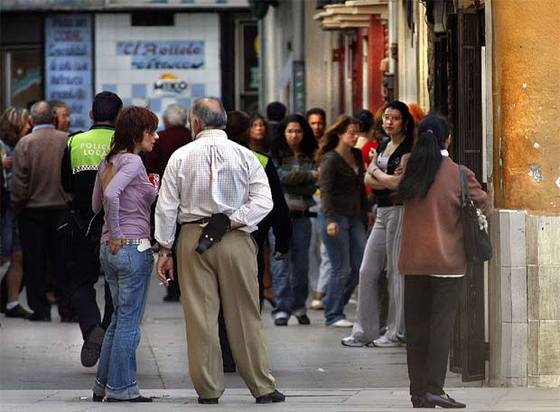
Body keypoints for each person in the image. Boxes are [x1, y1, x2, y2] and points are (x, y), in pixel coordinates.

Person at [155, 97, 284, 404]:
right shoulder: (245, 155)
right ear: (224, 121)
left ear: (195, 123)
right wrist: (233, 221)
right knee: (245, 314)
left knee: (200, 316)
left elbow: (166, 206)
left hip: (191, 238)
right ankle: (261, 386)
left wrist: (163, 250)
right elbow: (265, 202)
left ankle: (208, 389)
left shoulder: (180, 156)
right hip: (236, 239)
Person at [398, 114, 490, 409]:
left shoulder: (410, 166)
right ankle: (435, 388)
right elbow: (484, 206)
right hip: (448, 264)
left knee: (416, 328)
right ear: (447, 138)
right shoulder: (459, 173)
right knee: (440, 327)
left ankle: (418, 392)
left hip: (413, 263)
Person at [91, 106, 159, 403]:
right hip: (130, 246)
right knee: (129, 322)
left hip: (109, 249)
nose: (155, 137)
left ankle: (102, 385)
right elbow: (109, 195)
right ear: (137, 133)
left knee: (119, 320)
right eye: (151, 131)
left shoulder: (108, 161)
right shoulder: (132, 161)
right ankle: (123, 389)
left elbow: (96, 205)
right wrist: (119, 232)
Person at [219, 110, 291, 372]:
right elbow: (277, 207)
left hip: (213, 237)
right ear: (247, 131)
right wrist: (282, 242)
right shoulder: (259, 160)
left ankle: (225, 353)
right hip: (251, 240)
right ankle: (245, 352)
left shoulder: (210, 157)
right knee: (250, 298)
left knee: (219, 298)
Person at [342, 101, 414, 348]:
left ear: (404, 121)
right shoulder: (383, 144)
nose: (389, 122)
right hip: (381, 211)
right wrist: (382, 177)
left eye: (394, 118)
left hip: (399, 211)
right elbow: (367, 178)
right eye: (386, 117)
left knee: (395, 272)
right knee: (367, 270)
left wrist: (377, 174)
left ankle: (395, 332)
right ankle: (365, 330)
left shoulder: (407, 148)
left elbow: (398, 185)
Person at [60, 91, 123, 367]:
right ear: (118, 117)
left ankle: (91, 329)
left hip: (83, 223)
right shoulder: (123, 144)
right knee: (114, 285)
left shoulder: (74, 142)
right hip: (116, 226)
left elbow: (66, 183)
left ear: (91, 115)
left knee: (79, 283)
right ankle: (106, 335)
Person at [11, 101, 72, 322]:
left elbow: (19, 183)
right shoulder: (66, 140)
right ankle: (67, 308)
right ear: (53, 119)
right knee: (63, 262)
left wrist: (18, 205)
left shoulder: (24, 144)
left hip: (32, 212)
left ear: (32, 120)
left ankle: (41, 310)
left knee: (35, 263)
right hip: (62, 211)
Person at [315, 115, 367, 327]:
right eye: (351, 133)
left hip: (355, 216)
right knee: (341, 267)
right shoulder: (330, 159)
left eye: (357, 133)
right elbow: (325, 191)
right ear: (340, 134)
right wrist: (329, 220)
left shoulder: (356, 154)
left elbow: (360, 187)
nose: (355, 137)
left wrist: (365, 211)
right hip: (333, 216)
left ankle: (331, 302)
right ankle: (334, 314)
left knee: (360, 266)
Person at [269, 114, 318, 326]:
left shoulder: (311, 155)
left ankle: (299, 306)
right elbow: (279, 180)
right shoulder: (275, 156)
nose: (294, 135)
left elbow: (313, 187)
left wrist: (303, 180)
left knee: (301, 266)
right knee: (280, 263)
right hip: (280, 218)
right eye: (290, 131)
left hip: (302, 217)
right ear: (283, 133)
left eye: (298, 131)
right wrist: (309, 176)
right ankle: (281, 308)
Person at [143, 103, 192, 303]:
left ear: (166, 121)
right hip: (190, 197)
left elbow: (150, 168)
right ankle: (189, 286)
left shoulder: (160, 139)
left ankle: (172, 288)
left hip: (166, 195)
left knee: (170, 240)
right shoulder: (191, 137)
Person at [0, 107, 32, 318]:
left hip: (17, 207)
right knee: (4, 253)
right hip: (4, 207)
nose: (29, 126)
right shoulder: (3, 147)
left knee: (18, 255)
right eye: (26, 122)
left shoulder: (25, 145)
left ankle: (12, 302)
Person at [306, 107, 331, 310]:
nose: (317, 126)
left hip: (325, 200)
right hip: (309, 201)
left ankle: (320, 291)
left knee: (325, 248)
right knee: (310, 248)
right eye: (313, 123)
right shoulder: (303, 147)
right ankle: (315, 287)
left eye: (320, 122)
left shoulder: (329, 145)